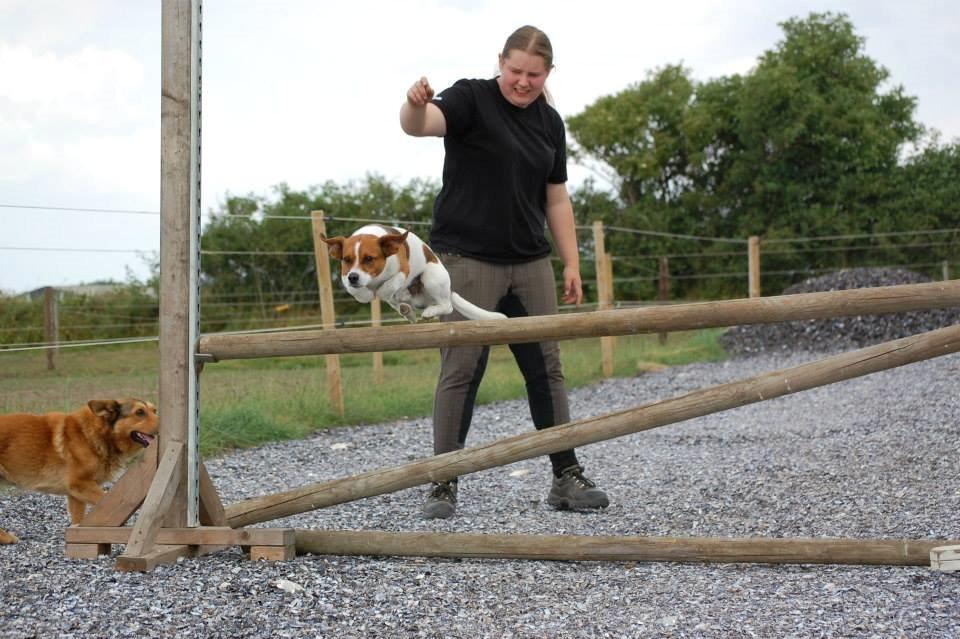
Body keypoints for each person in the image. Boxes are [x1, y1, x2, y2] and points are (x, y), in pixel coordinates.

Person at [400, 25, 609, 519]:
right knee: (462, 369)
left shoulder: (550, 123)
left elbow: (555, 196)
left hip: (530, 260)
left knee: (547, 369)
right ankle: (443, 481)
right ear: (502, 62)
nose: (522, 81)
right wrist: (413, 103)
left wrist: (572, 261)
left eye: (533, 75)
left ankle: (566, 475)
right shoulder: (471, 97)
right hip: (468, 258)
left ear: (548, 73)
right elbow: (419, 124)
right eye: (515, 70)